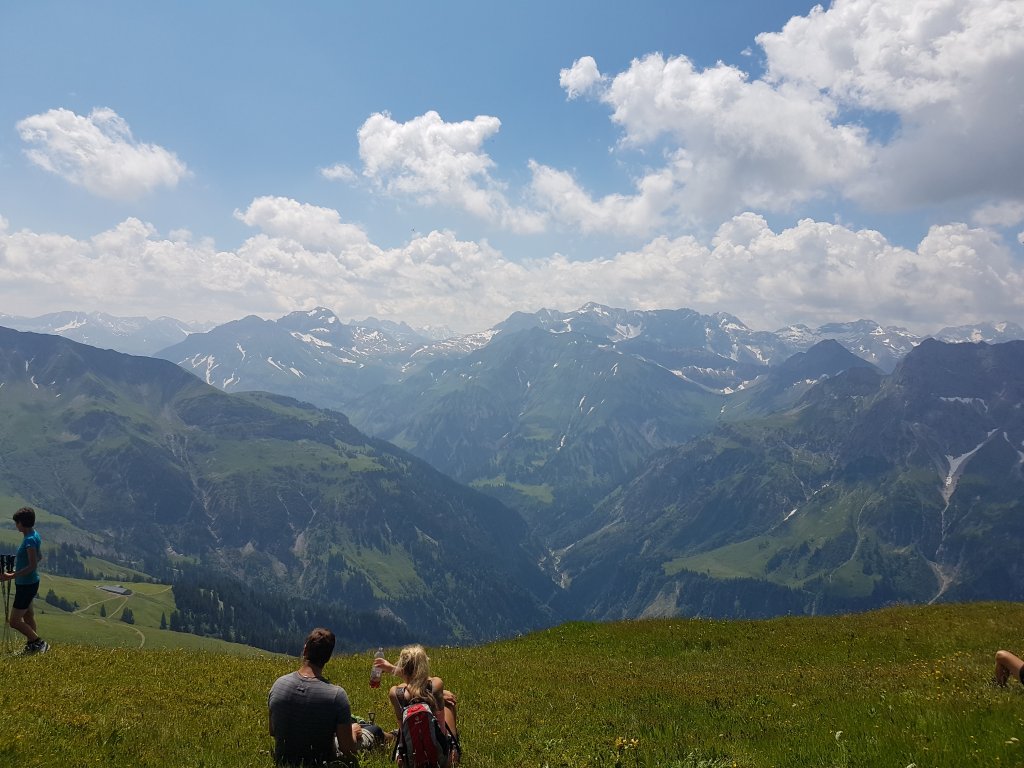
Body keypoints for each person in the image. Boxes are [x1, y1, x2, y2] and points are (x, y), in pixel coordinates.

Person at [268, 627, 362, 766]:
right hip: (320, 762)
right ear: (328, 658)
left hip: (284, 761)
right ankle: (393, 737)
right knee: (373, 732)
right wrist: (353, 732)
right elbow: (348, 750)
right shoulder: (337, 696)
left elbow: (273, 731)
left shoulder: (279, 684)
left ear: (305, 650)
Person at [374, 644, 461, 765]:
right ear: (424, 666)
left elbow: (402, 728)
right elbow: (441, 725)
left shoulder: (395, 693)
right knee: (449, 704)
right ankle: (453, 750)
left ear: (402, 667)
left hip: (411, 760)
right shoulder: (436, 684)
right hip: (441, 758)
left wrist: (392, 669)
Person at [0, 506, 48, 655]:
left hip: (26, 585)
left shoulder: (29, 541)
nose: (16, 525)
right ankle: (32, 646)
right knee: (28, 616)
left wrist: (12, 575)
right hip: (29, 582)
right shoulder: (34, 535)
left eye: (17, 522)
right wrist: (17, 572)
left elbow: (32, 565)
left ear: (22, 523)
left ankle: (39, 643)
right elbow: (38, 558)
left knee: (14, 621)